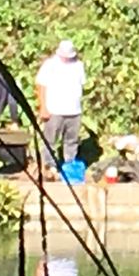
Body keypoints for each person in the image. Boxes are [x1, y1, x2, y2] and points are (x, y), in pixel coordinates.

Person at [36, 39, 86, 175]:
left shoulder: (78, 65)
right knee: (50, 140)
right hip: (54, 110)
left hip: (74, 110)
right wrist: (43, 107)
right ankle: (49, 166)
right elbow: (41, 86)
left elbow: (81, 84)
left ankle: (69, 165)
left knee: (72, 140)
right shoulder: (50, 65)